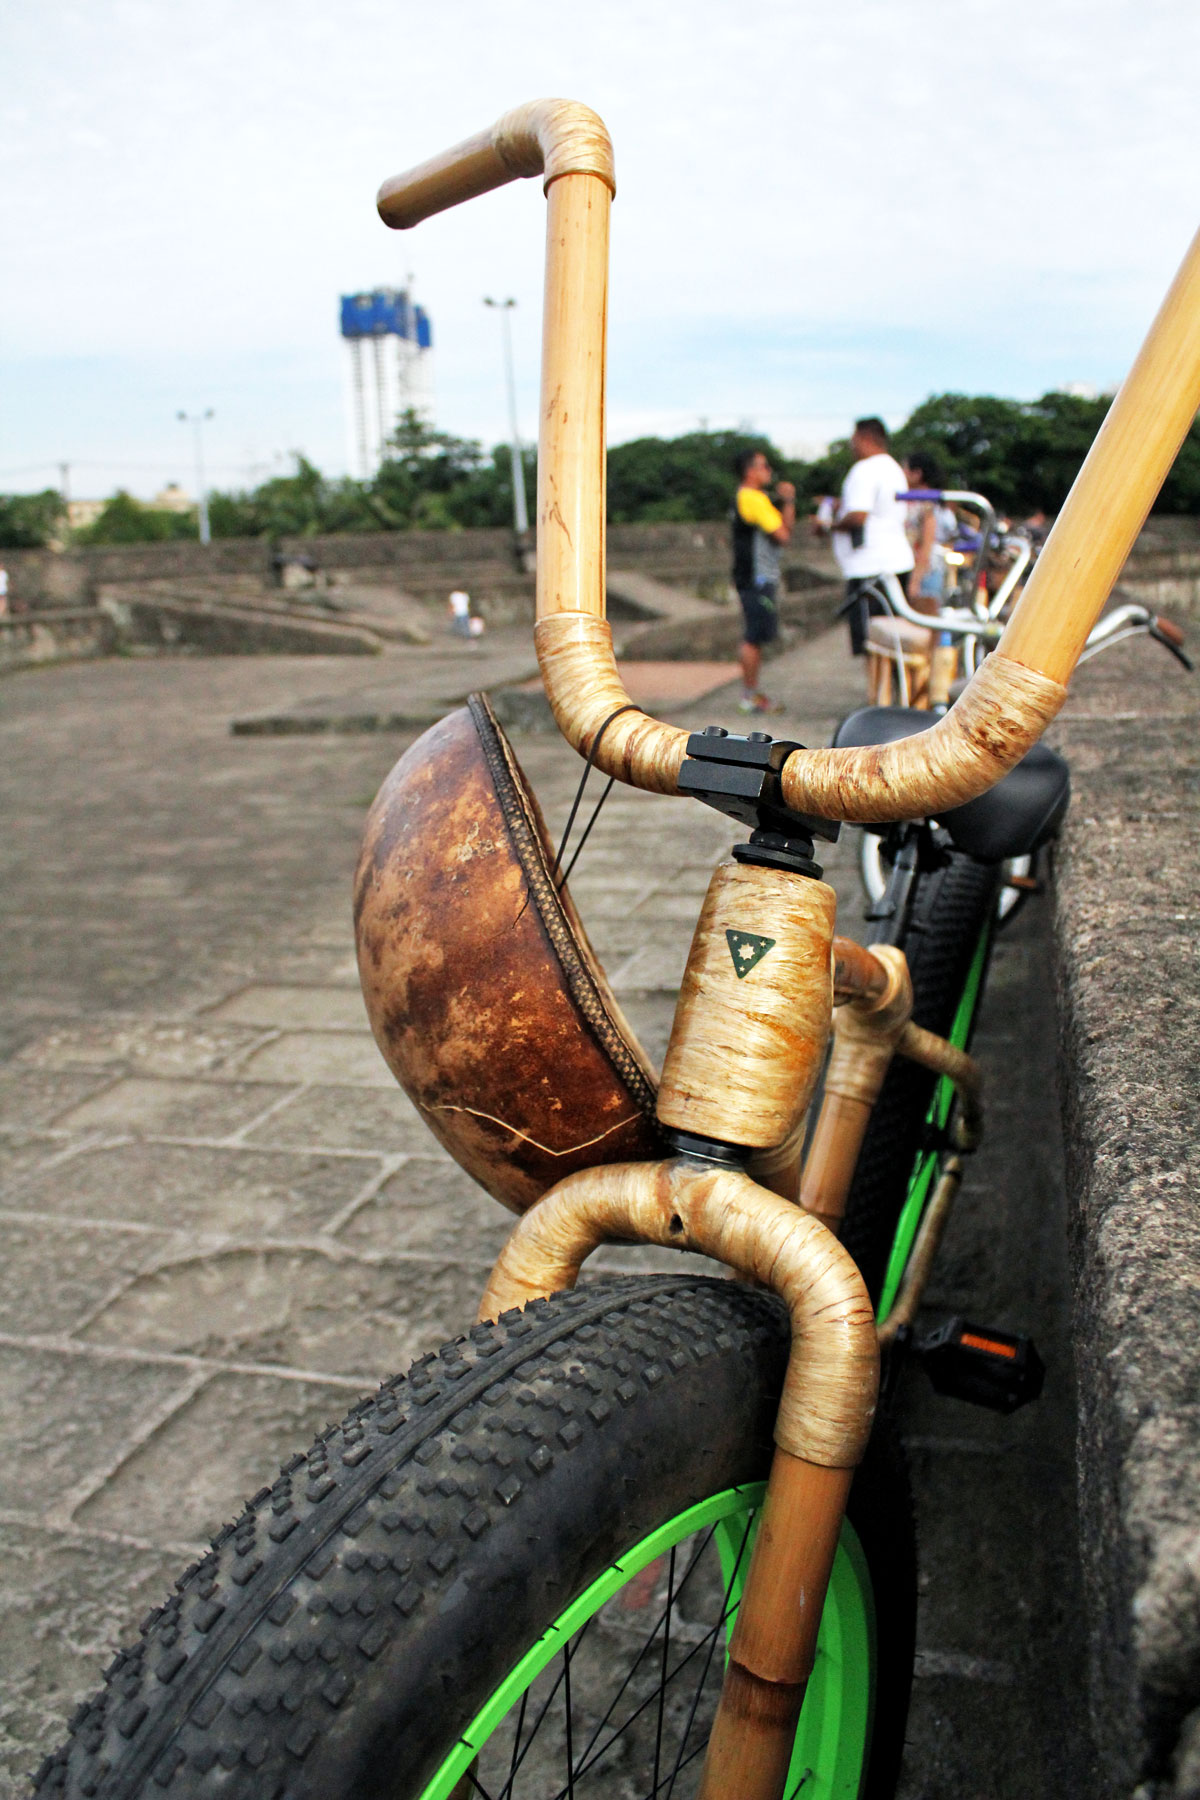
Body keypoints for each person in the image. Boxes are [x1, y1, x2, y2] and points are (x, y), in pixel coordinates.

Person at [828, 417, 914, 655]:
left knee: (874, 645)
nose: (851, 446)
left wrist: (829, 525)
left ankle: (879, 693)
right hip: (896, 563)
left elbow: (858, 516)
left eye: (853, 440)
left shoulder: (864, 469)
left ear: (865, 438)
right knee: (894, 642)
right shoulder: (894, 469)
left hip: (870, 568)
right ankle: (894, 691)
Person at [730, 448, 795, 712]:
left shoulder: (752, 498)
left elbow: (782, 529)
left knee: (755, 634)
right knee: (753, 636)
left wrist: (787, 503)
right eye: (764, 466)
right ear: (750, 471)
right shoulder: (753, 498)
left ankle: (752, 693)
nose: (768, 471)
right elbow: (782, 535)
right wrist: (788, 501)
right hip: (756, 578)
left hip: (755, 576)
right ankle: (750, 696)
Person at [902, 449, 957, 615]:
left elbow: (927, 542)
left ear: (916, 473)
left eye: (904, 468)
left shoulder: (925, 503)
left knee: (926, 621)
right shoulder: (935, 500)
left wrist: (915, 580)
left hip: (925, 570)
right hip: (931, 567)